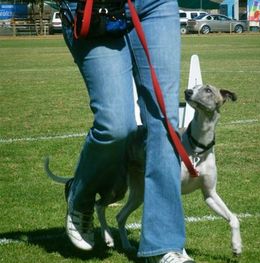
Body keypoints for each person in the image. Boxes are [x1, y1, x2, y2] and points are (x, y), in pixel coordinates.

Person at [59, 0, 195, 262]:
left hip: (156, 6)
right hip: (97, 5)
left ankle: (164, 245)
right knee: (116, 126)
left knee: (164, 122)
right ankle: (81, 192)